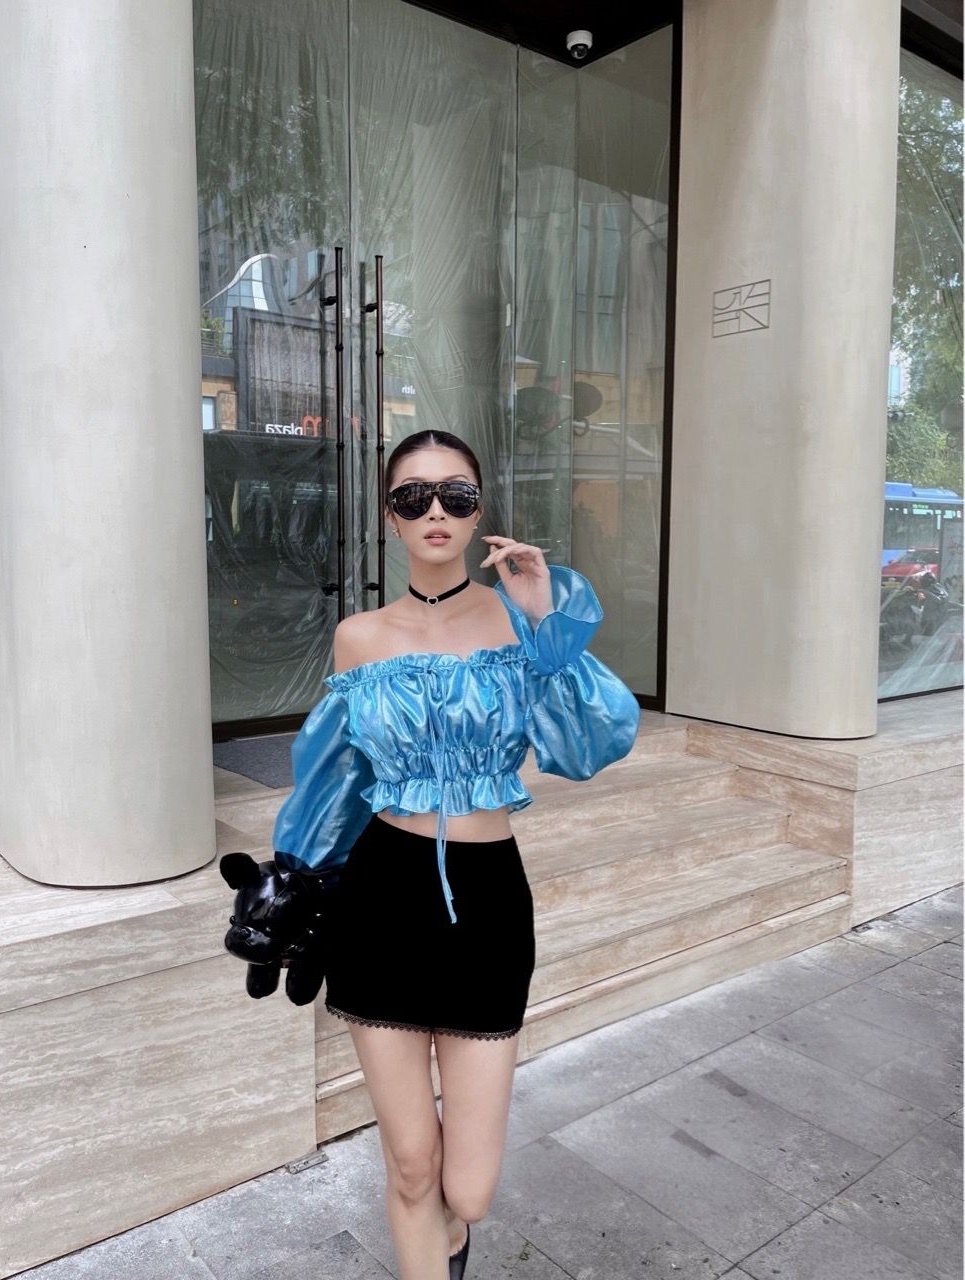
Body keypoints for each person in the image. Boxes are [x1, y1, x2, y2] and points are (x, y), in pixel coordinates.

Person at [272, 429, 640, 1280]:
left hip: (487, 904)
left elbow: (590, 742)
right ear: (390, 518)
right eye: (413, 497)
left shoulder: (520, 622)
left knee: (466, 1191)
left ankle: (446, 1241)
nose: (434, 510)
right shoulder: (358, 637)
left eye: (455, 495)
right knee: (411, 1166)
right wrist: (292, 879)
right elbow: (332, 778)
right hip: (379, 902)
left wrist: (546, 623)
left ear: (478, 513)